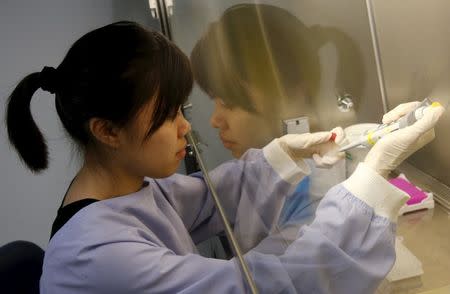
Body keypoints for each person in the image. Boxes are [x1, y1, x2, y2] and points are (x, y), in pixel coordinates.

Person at [5, 21, 444, 293]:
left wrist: (284, 153)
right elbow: (263, 289)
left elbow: (212, 197)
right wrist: (370, 181)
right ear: (106, 130)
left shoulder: (125, 194)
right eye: (167, 114)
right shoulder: (95, 254)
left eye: (183, 110)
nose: (186, 127)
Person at [190, 4, 363, 229]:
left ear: (288, 91)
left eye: (228, 103)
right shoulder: (262, 175)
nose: (215, 120)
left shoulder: (317, 187)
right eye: (214, 101)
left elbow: (303, 263)